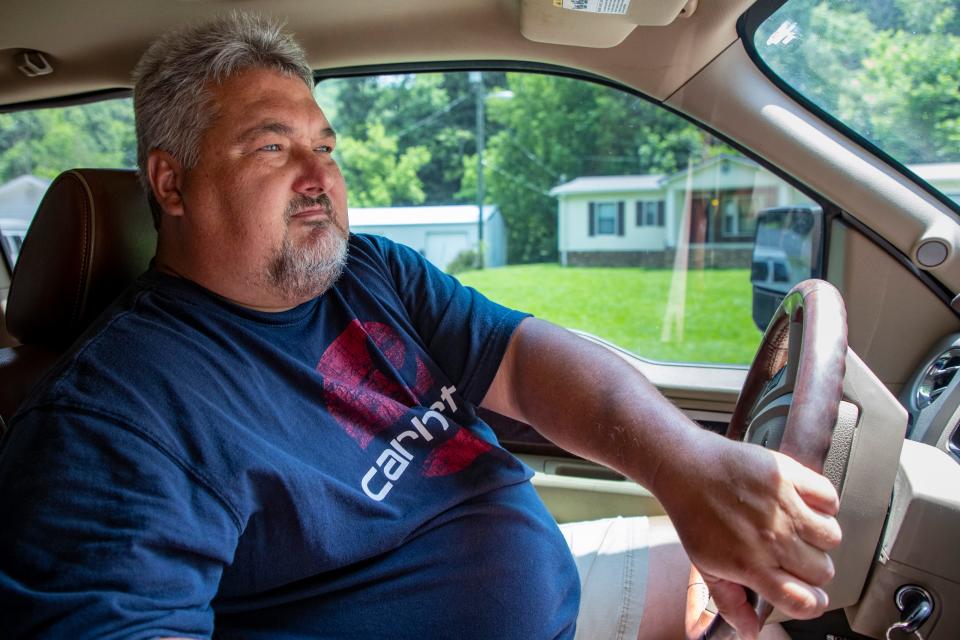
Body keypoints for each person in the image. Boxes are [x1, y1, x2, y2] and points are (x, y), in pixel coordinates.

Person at [0, 13, 840, 640]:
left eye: (325, 147)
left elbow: (527, 360)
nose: (319, 176)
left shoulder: (368, 273)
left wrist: (686, 467)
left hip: (565, 597)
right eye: (271, 149)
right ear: (171, 184)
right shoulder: (114, 420)